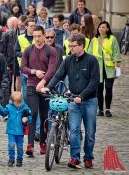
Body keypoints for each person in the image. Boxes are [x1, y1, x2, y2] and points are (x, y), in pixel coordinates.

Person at [41, 33, 100, 169]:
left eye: (73, 46)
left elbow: (94, 81)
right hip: (73, 100)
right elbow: (58, 75)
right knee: (74, 131)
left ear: (81, 46)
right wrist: (48, 87)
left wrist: (82, 96)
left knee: (90, 132)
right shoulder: (68, 60)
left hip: (89, 101)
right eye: (70, 46)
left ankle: (88, 157)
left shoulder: (92, 61)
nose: (71, 48)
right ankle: (75, 157)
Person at [20, 25, 57, 157]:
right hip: (31, 85)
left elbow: (52, 69)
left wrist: (43, 81)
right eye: (34, 36)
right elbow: (23, 67)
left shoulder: (51, 50)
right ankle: (30, 144)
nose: (37, 39)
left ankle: (43, 142)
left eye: (39, 36)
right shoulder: (28, 50)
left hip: (46, 87)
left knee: (44, 116)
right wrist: (34, 71)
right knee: (33, 113)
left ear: (43, 36)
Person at [88, 21, 122, 117]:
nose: (101, 29)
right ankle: (100, 110)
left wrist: (116, 65)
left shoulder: (112, 39)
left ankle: (107, 109)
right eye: (100, 27)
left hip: (109, 68)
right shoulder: (94, 40)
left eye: (103, 27)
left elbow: (116, 52)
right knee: (99, 89)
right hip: (97, 68)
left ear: (107, 29)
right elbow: (90, 53)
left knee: (108, 87)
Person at [0, 91, 32, 167]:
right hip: (11, 130)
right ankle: (11, 159)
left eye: (19, 102)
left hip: (20, 132)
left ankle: (19, 159)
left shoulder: (25, 108)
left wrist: (27, 118)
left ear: (21, 101)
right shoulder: (9, 107)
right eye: (16, 102)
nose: (17, 104)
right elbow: (3, 113)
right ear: (12, 101)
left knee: (20, 146)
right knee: (11, 145)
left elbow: (30, 118)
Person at [15, 18, 36, 104]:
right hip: (24, 67)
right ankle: (27, 107)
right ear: (26, 27)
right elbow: (16, 52)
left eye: (34, 26)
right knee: (25, 88)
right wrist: (25, 55)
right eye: (31, 26)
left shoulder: (38, 37)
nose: (33, 28)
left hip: (37, 67)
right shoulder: (20, 38)